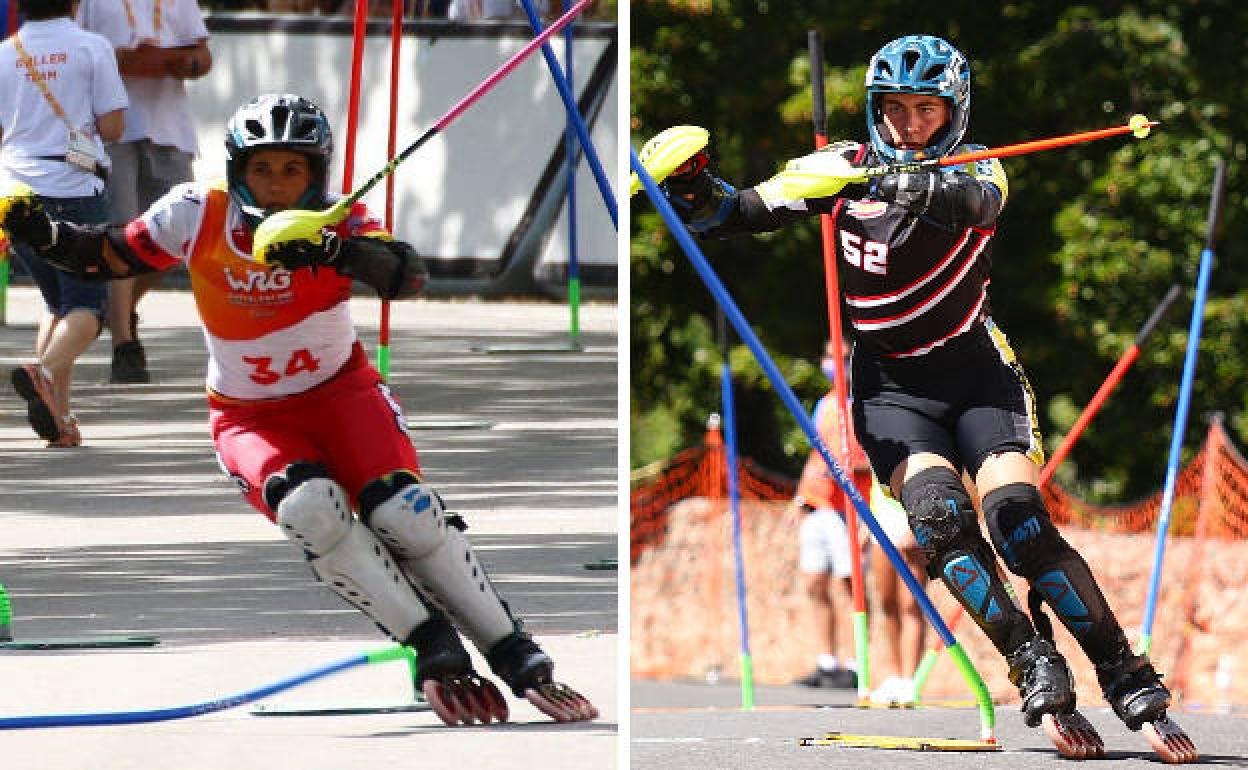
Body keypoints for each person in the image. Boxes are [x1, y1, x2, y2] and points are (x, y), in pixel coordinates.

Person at [0, 93, 596, 726]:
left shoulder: (337, 221)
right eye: (263, 170)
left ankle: (517, 651)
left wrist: (336, 254)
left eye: (293, 171)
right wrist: (47, 235)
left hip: (343, 398)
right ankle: (432, 647)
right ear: (237, 170)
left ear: (316, 172)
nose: (278, 186)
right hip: (249, 416)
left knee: (407, 514)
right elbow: (107, 253)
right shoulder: (198, 212)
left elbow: (406, 275)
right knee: (311, 507)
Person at [656, 34, 1172, 736]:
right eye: (893, 107)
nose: (909, 123)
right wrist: (689, 185)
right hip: (891, 391)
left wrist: (896, 182)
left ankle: (1123, 669)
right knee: (940, 524)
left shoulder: (981, 165)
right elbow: (732, 214)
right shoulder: (839, 165)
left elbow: (974, 204)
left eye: (926, 108)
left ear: (953, 111)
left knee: (1018, 522)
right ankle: (1031, 660)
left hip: (978, 376)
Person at [0, 0, 127, 447]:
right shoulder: (91, 47)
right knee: (90, 310)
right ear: (74, 3)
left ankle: (61, 422)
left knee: (57, 307)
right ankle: (44, 373)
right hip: (74, 188)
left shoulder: (4, 52)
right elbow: (112, 126)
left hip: (14, 193)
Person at [75, 0, 212, 384]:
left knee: (180, 234)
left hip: (170, 126)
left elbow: (202, 53)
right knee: (122, 233)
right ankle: (124, 344)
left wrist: (187, 63)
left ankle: (120, 310)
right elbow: (77, 54)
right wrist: (115, 60)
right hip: (110, 129)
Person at [789, 345, 869, 690]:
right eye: (827, 356)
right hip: (818, 506)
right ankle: (826, 661)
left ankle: (856, 664)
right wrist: (801, 495)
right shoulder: (824, 403)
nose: (832, 363)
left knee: (852, 587)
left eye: (839, 357)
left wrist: (846, 470)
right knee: (813, 582)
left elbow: (876, 462)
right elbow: (816, 451)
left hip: (848, 509)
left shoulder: (864, 405)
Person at [865, 476, 928, 706]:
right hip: (880, 519)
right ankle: (894, 675)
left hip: (909, 517)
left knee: (911, 604)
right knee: (886, 601)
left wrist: (916, 526)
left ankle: (909, 679)